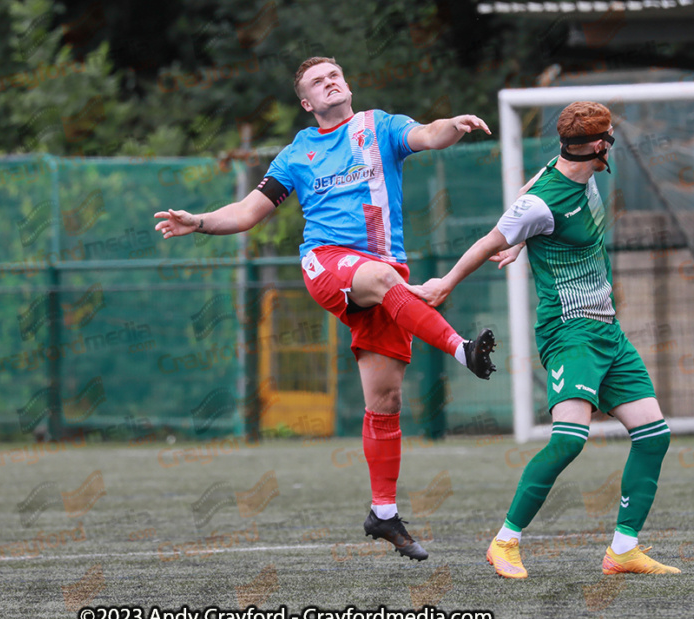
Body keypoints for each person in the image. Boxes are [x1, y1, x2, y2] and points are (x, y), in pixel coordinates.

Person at [154, 56, 497, 562]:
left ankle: (383, 513)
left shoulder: (379, 127)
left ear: (347, 85)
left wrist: (455, 124)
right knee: (382, 280)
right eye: (318, 81)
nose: (330, 82)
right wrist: (198, 220)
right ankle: (461, 349)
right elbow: (249, 212)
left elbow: (428, 134)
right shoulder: (297, 154)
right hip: (328, 262)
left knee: (385, 402)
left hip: (385, 279)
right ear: (307, 103)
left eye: (335, 75)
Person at [407, 101, 680, 578]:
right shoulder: (544, 200)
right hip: (568, 331)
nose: (612, 141)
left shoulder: (571, 171)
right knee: (569, 440)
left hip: (606, 330)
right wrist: (446, 283)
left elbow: (531, 188)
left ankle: (622, 551)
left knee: (654, 434)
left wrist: (521, 239)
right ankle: (504, 542)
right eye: (610, 135)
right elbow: (488, 240)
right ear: (599, 146)